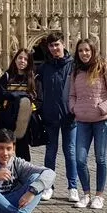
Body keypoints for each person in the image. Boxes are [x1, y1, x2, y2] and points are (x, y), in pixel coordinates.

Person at [68, 39, 107, 209]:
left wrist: (102, 108)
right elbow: (72, 95)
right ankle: (86, 194)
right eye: (80, 51)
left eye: (87, 50)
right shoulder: (75, 70)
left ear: (93, 51)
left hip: (102, 120)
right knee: (80, 159)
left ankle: (99, 196)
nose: (84, 53)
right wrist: (74, 108)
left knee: (100, 157)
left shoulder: (103, 67)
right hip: (83, 120)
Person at [36, 31, 79, 202]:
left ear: (63, 44)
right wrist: (40, 109)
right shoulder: (44, 67)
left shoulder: (73, 66)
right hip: (50, 116)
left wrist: (76, 110)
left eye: (57, 45)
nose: (55, 48)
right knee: (50, 152)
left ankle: (73, 187)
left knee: (70, 152)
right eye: (51, 46)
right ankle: (48, 186)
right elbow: (39, 91)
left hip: (69, 116)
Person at [0, 49, 39, 160]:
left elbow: (38, 99)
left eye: (26, 59)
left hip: (24, 121)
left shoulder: (32, 78)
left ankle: (22, 174)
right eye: (20, 58)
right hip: (7, 119)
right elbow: (0, 97)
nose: (22, 61)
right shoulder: (6, 76)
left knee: (23, 152)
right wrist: (19, 96)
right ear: (15, 59)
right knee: (4, 150)